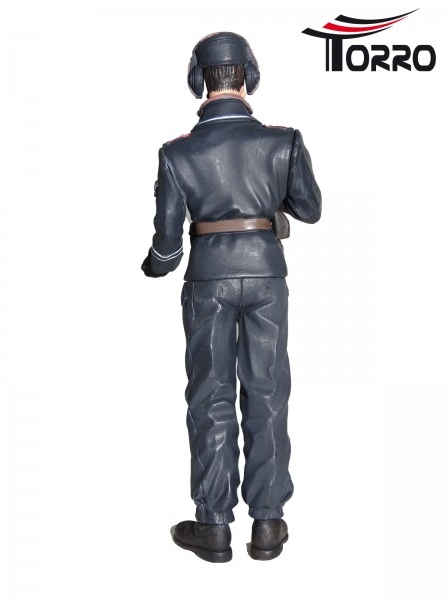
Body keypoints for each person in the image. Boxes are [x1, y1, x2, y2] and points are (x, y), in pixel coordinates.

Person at [141, 31, 322, 562]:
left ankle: (214, 526)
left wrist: (155, 266)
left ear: (198, 80)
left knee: (210, 396)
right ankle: (269, 522)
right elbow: (311, 209)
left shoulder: (176, 152)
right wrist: (271, 212)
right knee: (268, 392)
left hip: (207, 282)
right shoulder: (284, 141)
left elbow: (167, 247)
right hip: (266, 278)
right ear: (250, 76)